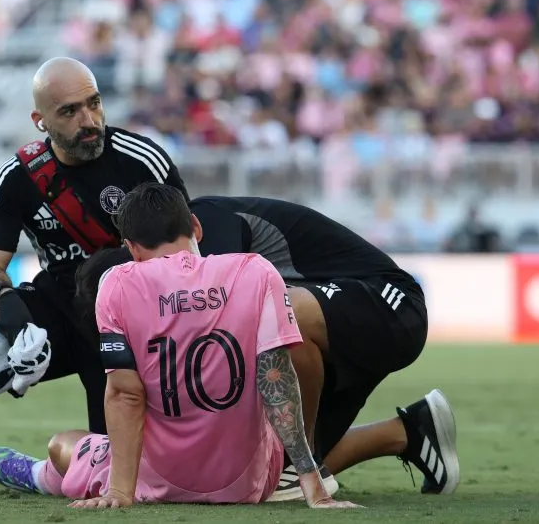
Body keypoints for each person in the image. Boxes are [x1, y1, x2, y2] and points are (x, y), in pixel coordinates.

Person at [0, 58, 189, 495]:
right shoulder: (17, 177)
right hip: (56, 313)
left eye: (94, 104)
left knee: (117, 468)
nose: (89, 120)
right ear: (40, 121)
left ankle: (42, 474)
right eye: (70, 111)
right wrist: (7, 303)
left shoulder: (141, 160)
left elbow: (189, 255)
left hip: (129, 321)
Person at [0, 183, 360, 508]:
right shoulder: (256, 271)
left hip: (157, 478)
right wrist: (312, 485)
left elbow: (125, 395)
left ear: (130, 247)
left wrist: (120, 491)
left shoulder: (117, 283)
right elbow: (276, 377)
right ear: (195, 226)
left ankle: (41, 475)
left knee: (64, 444)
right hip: (250, 481)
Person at [60, 195, 459, 502]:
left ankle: (295, 470)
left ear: (132, 253)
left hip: (389, 303)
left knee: (275, 317)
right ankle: (407, 433)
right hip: (349, 319)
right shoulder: (181, 241)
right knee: (255, 438)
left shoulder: (212, 236)